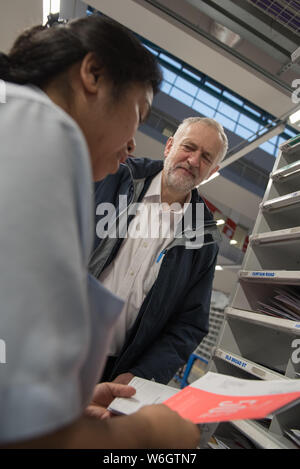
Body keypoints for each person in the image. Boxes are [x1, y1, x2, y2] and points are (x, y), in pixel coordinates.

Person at [0, 15, 200, 449]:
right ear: (92, 74)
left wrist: (65, 402)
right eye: (139, 114)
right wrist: (142, 436)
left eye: (207, 157)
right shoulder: (43, 129)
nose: (132, 144)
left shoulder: (19, 121)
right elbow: (22, 430)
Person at [89, 117, 228, 385]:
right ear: (169, 147)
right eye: (189, 147)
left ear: (212, 171)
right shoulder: (115, 176)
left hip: (112, 375)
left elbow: (189, 324)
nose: (193, 160)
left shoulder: (204, 239)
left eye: (206, 157)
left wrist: (140, 376)